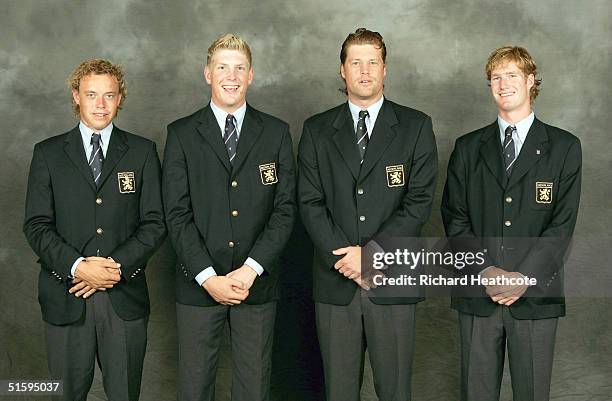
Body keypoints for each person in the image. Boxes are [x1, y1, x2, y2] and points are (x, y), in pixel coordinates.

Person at [298, 28, 438, 401]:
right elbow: (309, 202)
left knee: (395, 391)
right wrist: (347, 259)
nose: (364, 70)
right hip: (335, 282)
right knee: (339, 392)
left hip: (393, 280)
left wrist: (372, 253)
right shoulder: (316, 130)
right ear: (342, 70)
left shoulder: (416, 125)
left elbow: (419, 201)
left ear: (385, 69)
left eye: (372, 62)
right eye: (355, 62)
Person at [441, 46, 582, 401]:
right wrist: (486, 271)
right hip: (478, 294)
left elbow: (561, 226)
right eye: (496, 77)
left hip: (535, 297)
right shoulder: (468, 147)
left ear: (531, 81)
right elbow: (455, 218)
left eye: (512, 75)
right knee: (476, 393)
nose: (503, 84)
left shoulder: (564, 147)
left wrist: (523, 278)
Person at [23, 59, 167, 401]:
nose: (101, 104)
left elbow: (155, 222)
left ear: (120, 99)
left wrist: (113, 268)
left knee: (124, 394)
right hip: (66, 295)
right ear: (76, 97)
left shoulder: (143, 152)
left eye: (109, 95)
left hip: (124, 298)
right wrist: (78, 267)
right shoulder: (48, 154)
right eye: (91, 95)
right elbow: (36, 225)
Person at [163, 33, 296, 401]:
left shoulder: (276, 132)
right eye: (222, 67)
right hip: (197, 284)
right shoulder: (182, 133)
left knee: (254, 388)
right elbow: (176, 214)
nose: (231, 76)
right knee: (194, 388)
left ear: (251, 75)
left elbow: (285, 210)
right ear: (208, 73)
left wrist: (250, 269)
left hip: (255, 285)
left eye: (239, 68)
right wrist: (208, 277)